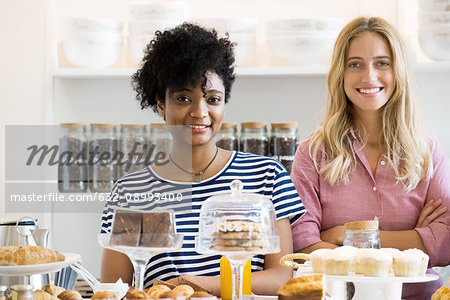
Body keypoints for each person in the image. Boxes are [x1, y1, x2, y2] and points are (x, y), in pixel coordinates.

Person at [100, 23, 305, 296]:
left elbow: (282, 278)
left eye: (212, 98)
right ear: (161, 104)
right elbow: (115, 290)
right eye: (184, 98)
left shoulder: (267, 176)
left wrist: (196, 285)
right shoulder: (129, 192)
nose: (200, 111)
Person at [290, 16, 450, 299]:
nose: (369, 76)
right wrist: (414, 240)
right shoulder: (313, 154)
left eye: (382, 63)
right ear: (340, 73)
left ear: (397, 70)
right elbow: (303, 246)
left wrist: (345, 237)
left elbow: (445, 243)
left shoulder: (429, 154)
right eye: (355, 64)